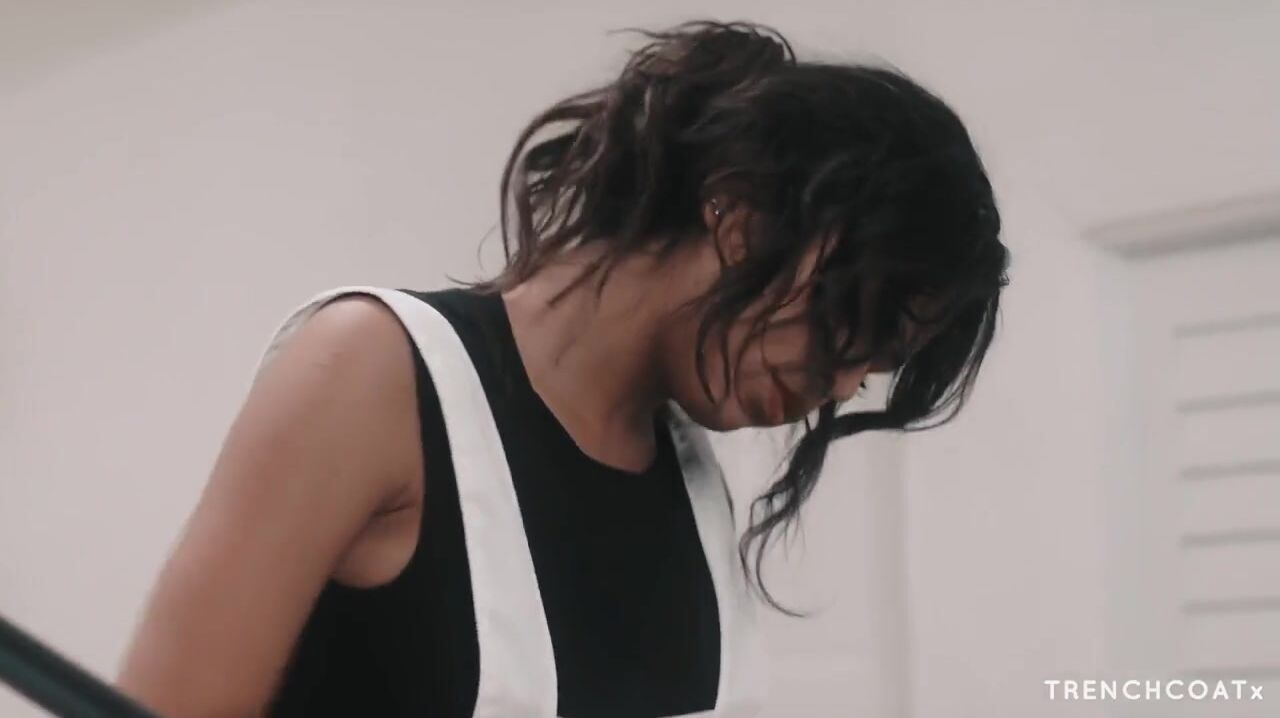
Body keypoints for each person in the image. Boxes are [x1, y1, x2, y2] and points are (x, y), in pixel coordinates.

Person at [115, 19, 1009, 718]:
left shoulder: (694, 479)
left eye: (875, 366)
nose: (843, 384)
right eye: (850, 325)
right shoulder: (374, 372)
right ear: (739, 218)